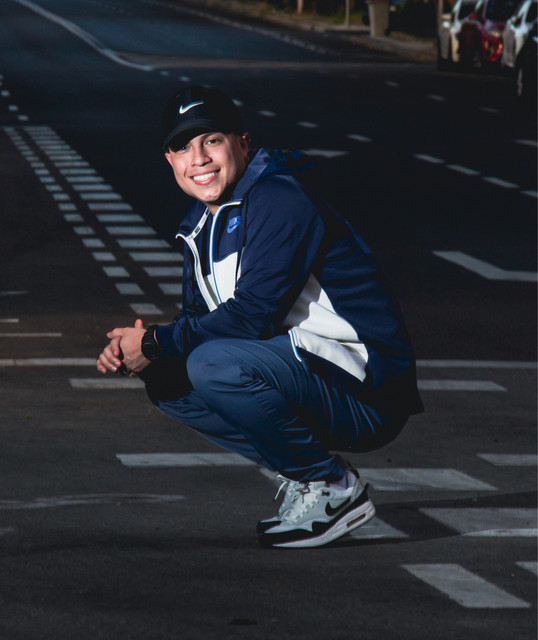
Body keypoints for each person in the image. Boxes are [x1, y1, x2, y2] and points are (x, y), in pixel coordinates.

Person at [96, 85, 423, 549]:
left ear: (243, 143)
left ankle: (331, 486)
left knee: (210, 364)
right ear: (170, 160)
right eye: (183, 148)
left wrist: (154, 341)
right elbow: (198, 320)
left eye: (212, 141)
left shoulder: (278, 198)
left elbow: (252, 318)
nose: (199, 159)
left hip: (365, 390)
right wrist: (141, 350)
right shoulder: (201, 225)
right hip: (308, 373)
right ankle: (304, 472)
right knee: (168, 377)